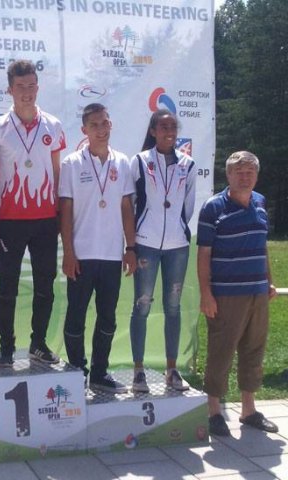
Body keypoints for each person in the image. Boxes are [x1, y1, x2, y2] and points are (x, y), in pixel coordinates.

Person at [0, 59, 66, 367]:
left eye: (31, 85)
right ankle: (6, 347)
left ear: (38, 87)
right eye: (20, 86)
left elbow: (57, 172)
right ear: (10, 90)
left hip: (46, 220)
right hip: (10, 220)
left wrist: (60, 213)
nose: (27, 92)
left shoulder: (53, 125)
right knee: (7, 289)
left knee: (45, 286)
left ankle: (38, 343)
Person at [197, 150, 278, 437]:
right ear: (228, 175)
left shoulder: (260, 202)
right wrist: (206, 294)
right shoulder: (213, 207)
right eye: (239, 172)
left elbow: (261, 245)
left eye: (250, 172)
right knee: (221, 352)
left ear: (257, 175)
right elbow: (204, 254)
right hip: (226, 295)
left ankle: (248, 410)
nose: (245, 177)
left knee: (254, 350)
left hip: (258, 291)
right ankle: (214, 412)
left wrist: (269, 281)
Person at [59, 103, 136, 392]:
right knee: (76, 315)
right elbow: (65, 210)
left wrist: (131, 247)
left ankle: (100, 374)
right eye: (94, 125)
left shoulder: (123, 162)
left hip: (112, 254)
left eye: (104, 123)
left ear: (110, 124)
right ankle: (77, 371)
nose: (101, 129)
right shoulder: (71, 164)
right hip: (82, 254)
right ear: (84, 130)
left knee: (108, 317)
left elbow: (126, 207)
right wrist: (68, 252)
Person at [129, 109, 196, 393]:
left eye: (173, 127)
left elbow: (188, 205)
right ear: (153, 131)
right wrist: (135, 238)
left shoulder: (188, 164)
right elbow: (132, 202)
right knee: (142, 305)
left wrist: (178, 228)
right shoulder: (140, 161)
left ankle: (172, 369)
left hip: (177, 246)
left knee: (173, 307)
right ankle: (139, 371)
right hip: (146, 242)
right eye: (163, 127)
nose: (169, 132)